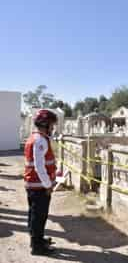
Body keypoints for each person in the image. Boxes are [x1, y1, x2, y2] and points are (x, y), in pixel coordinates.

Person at [24, 109, 58, 255]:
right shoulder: (40, 140)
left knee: (34, 214)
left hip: (33, 184)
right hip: (39, 186)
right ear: (45, 124)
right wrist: (48, 185)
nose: (52, 128)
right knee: (39, 216)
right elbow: (39, 166)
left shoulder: (34, 137)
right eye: (51, 125)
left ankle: (36, 240)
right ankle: (37, 246)